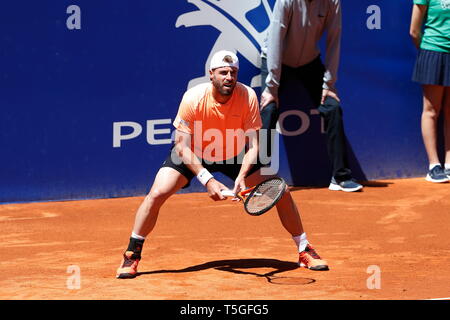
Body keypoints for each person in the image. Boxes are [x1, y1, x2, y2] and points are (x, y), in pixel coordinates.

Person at [116, 50, 329, 279]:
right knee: (157, 192)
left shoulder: (247, 96)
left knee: (282, 191)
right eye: (223, 72)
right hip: (195, 153)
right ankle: (132, 254)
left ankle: (304, 249)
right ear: (211, 74)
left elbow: (255, 146)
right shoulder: (193, 98)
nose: (229, 77)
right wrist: (207, 179)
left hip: (234, 154)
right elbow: (181, 147)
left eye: (233, 72)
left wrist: (241, 176)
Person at [259, 0, 363, 192]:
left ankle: (340, 176)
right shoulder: (286, 1)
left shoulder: (332, 2)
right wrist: (272, 86)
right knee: (269, 109)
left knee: (332, 107)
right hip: (276, 59)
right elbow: (275, 39)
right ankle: (256, 178)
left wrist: (329, 84)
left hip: (309, 62)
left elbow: (334, 39)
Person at [410, 0, 450, 182]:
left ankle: (449, 164)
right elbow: (414, 31)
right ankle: (434, 166)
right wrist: (428, 51)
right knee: (431, 110)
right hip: (433, 52)